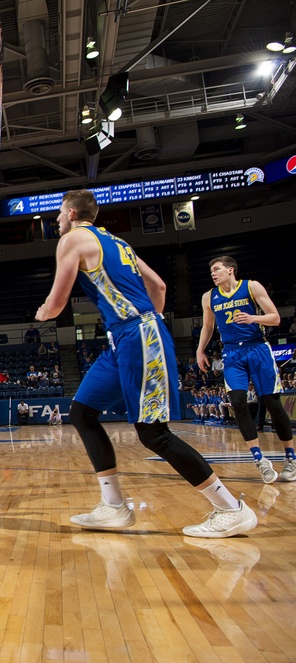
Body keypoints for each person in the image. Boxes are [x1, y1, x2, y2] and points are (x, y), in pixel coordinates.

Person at [35, 189, 256, 538]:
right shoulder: (119, 243)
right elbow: (160, 285)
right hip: (125, 337)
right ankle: (113, 506)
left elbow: (57, 304)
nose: (57, 219)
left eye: (60, 213)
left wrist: (42, 312)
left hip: (137, 336)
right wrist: (147, 317)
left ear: (73, 214)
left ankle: (230, 508)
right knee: (81, 412)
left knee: (153, 433)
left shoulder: (73, 239)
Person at [197, 256, 295, 483]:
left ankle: (291, 458)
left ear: (231, 270)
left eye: (217, 269)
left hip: (257, 348)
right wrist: (201, 350)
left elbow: (275, 318)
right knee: (239, 402)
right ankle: (260, 459)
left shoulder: (251, 286)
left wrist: (253, 318)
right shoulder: (209, 296)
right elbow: (208, 326)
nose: (213, 273)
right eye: (211, 270)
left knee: (272, 402)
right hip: (232, 353)